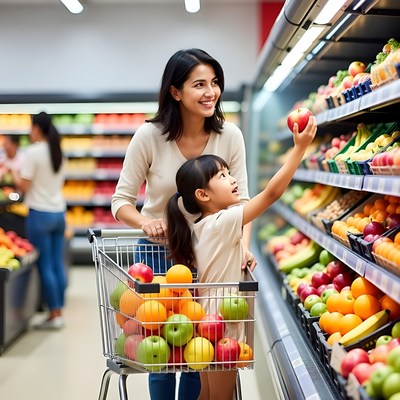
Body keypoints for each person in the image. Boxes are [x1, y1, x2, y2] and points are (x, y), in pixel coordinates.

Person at [111, 48, 255, 400]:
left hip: (208, 258)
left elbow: (245, 201)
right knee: (160, 354)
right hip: (160, 259)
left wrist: (242, 246)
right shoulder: (149, 136)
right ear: (175, 92)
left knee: (199, 351)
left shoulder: (230, 136)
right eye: (199, 84)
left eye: (215, 83)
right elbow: (121, 201)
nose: (211, 92)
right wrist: (145, 222)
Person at [165, 117, 317, 400]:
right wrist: (299, 149)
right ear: (202, 195)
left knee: (207, 394)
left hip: (206, 317)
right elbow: (271, 193)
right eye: (221, 177)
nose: (232, 179)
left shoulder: (201, 226)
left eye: (228, 172)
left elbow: (220, 254)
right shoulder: (223, 221)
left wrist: (240, 251)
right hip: (225, 318)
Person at [12, 111, 67, 330]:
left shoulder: (33, 152)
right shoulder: (58, 151)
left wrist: (15, 173)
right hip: (58, 213)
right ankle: (59, 310)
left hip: (39, 214)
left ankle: (54, 315)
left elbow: (23, 187)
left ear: (36, 128)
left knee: (45, 265)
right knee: (56, 264)